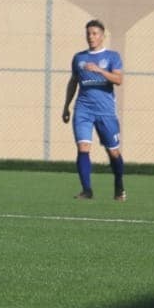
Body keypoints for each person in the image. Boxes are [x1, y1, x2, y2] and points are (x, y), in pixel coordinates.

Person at [61, 18, 126, 201]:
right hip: (83, 109)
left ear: (102, 36)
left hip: (105, 111)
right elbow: (73, 82)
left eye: (95, 33)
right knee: (83, 147)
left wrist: (99, 70)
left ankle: (119, 184)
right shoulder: (79, 58)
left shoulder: (112, 56)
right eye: (88, 33)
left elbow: (118, 80)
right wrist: (66, 106)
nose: (91, 37)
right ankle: (87, 190)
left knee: (113, 152)